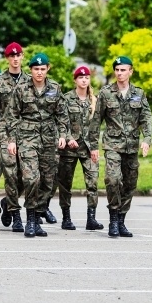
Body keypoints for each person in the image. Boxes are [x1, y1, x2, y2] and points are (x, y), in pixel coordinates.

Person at [4, 53, 69, 238]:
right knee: (31, 179)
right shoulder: (21, 89)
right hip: (27, 138)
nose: (39, 72)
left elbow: (62, 115)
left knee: (48, 182)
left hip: (49, 139)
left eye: (42, 69)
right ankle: (30, 220)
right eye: (35, 69)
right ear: (30, 70)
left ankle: (39, 215)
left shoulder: (55, 88)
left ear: (47, 69)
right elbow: (12, 115)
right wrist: (12, 140)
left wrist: (63, 135)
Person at [90, 56, 152, 238]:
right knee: (113, 179)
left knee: (130, 184)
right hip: (112, 145)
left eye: (123, 70)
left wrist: (146, 139)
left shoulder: (139, 94)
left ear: (130, 71)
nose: (120, 73)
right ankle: (113, 218)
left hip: (132, 147)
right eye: (117, 70)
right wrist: (93, 146)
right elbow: (96, 120)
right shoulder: (106, 93)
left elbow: (146, 118)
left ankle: (122, 220)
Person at [0, 42, 30, 232]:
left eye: (18, 55)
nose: (15, 58)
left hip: (27, 133)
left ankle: (7, 202)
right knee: (10, 175)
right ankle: (16, 214)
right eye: (11, 56)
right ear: (7, 58)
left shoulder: (29, 80)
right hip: (4, 133)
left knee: (26, 177)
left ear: (22, 57)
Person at [57, 66, 103, 231]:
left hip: (88, 149)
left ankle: (91, 219)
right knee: (65, 184)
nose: (84, 80)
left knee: (92, 183)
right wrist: (68, 138)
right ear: (75, 80)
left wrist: (96, 147)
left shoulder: (94, 100)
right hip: (69, 149)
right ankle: (66, 218)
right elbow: (61, 121)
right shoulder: (66, 98)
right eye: (80, 77)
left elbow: (96, 126)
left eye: (87, 78)